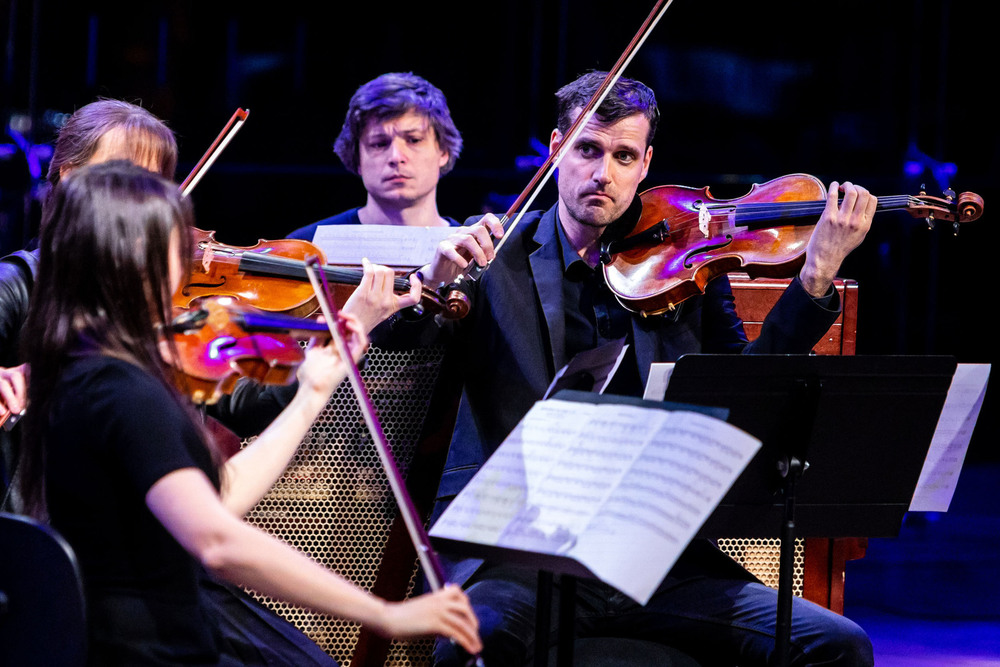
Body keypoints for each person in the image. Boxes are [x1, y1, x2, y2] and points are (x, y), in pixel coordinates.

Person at [376, 72, 876, 666]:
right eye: (588, 149)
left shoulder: (689, 265)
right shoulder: (494, 256)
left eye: (623, 155)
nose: (603, 174)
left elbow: (749, 391)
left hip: (652, 555)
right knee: (471, 645)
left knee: (837, 645)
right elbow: (396, 348)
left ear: (646, 164)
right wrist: (432, 288)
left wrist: (815, 275)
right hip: (519, 550)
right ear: (558, 147)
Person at [17, 161, 481, 665]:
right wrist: (383, 614)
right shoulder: (119, 388)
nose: (193, 262)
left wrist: (311, 393)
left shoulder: (86, 368)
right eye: (180, 247)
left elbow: (219, 497)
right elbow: (216, 539)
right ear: (139, 259)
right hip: (150, 650)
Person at [1, 98, 179, 509]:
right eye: (123, 178)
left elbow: (243, 402)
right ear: (69, 179)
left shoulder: (155, 305)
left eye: (153, 185)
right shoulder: (20, 283)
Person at [288, 72, 463, 239]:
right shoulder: (308, 247)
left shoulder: (477, 255)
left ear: (444, 151)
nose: (396, 157)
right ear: (357, 158)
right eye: (379, 143)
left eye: (414, 140)